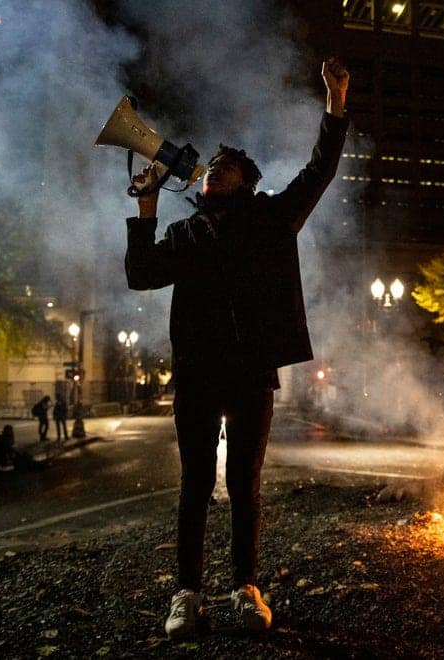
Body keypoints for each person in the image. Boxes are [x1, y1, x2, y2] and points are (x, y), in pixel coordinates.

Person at [124, 58, 348, 637]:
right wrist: (145, 209)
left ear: (246, 181)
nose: (211, 174)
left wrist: (336, 100)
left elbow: (320, 169)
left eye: (224, 168)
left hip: (252, 373)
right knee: (195, 484)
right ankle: (187, 594)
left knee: (245, 484)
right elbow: (142, 273)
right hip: (197, 373)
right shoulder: (185, 232)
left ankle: (245, 587)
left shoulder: (273, 217)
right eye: (209, 170)